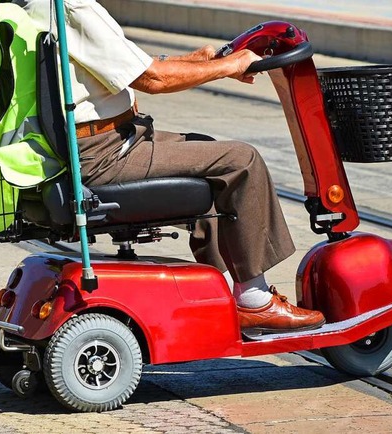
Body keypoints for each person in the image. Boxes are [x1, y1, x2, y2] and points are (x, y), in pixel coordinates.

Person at [19, 0, 325, 333]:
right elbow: (153, 80)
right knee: (241, 160)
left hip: (103, 141)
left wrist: (196, 60)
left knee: (208, 150)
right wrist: (230, 66)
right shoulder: (74, 9)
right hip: (106, 153)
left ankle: (222, 297)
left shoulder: (42, 5)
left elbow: (132, 64)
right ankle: (255, 301)